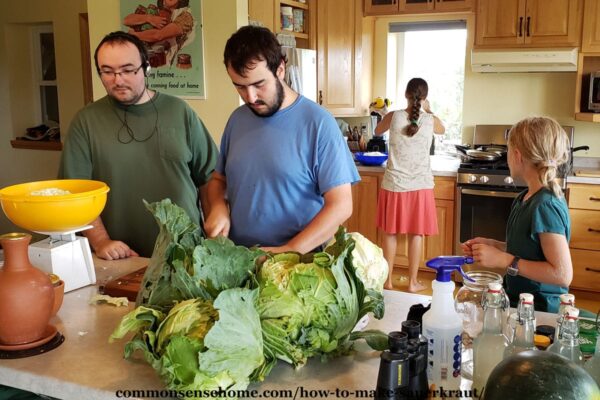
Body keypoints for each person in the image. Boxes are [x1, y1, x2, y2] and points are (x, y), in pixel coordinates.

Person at [58, 31, 218, 260]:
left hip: (186, 255)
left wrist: (212, 238)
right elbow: (77, 193)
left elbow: (210, 178)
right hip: (120, 257)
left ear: (147, 67)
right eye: (107, 72)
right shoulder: (86, 121)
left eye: (128, 70)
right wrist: (101, 241)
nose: (118, 80)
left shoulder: (179, 112)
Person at [204, 25, 359, 254]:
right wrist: (218, 206)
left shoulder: (318, 123)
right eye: (240, 87)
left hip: (298, 263)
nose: (250, 97)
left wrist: (289, 250)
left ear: (280, 69)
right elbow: (218, 181)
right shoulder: (237, 119)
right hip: (239, 258)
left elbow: (341, 205)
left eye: (259, 84)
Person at [461, 117, 572, 313]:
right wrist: (493, 245)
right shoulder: (525, 198)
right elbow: (529, 250)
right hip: (518, 303)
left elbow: (562, 274)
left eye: (508, 150)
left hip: (540, 311)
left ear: (518, 155)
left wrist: (504, 260)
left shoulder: (545, 206)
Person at [374, 78, 445, 292]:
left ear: (406, 94)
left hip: (395, 184)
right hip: (420, 185)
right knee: (416, 234)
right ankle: (413, 282)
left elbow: (377, 131)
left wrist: (386, 112)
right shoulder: (431, 120)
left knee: (390, 233)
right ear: (424, 98)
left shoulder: (393, 116)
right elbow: (442, 130)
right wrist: (428, 109)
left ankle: (387, 281)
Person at [124, 0, 195, 66]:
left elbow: (158, 35)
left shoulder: (185, 16)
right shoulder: (156, 10)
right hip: (144, 58)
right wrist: (149, 18)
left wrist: (134, 35)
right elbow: (126, 20)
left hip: (166, 62)